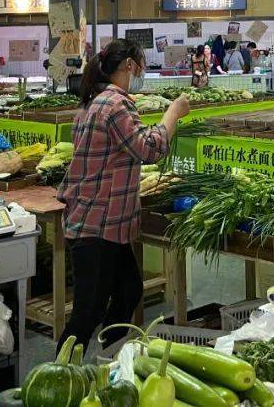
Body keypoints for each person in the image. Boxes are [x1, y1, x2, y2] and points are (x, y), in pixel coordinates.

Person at [57, 39, 190, 354]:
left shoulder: (94, 101)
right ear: (129, 65)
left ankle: (111, 359)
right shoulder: (116, 103)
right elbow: (149, 148)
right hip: (97, 224)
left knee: (129, 290)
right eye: (140, 64)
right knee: (86, 313)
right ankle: (57, 381)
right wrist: (173, 114)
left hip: (100, 222)